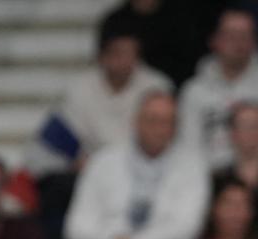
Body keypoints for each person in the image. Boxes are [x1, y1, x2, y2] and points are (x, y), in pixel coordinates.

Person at [64, 91, 209, 239]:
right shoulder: (103, 161)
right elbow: (76, 228)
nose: (159, 128)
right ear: (135, 122)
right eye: (152, 120)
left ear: (175, 128)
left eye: (167, 122)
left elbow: (185, 231)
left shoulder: (192, 166)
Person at [26, 26, 172, 178]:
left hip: (148, 167)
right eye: (119, 53)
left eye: (131, 54)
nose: (126, 61)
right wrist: (82, 162)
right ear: (102, 56)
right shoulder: (79, 88)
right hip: (90, 170)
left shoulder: (156, 86)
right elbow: (59, 136)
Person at [179, 9, 258, 169]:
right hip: (207, 180)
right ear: (215, 40)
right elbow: (188, 149)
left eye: (245, 36)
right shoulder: (194, 92)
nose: (238, 43)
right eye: (231, 36)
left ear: (255, 42)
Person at [214, 102, 258, 235]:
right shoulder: (219, 178)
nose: (250, 132)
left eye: (254, 125)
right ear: (232, 133)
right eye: (243, 126)